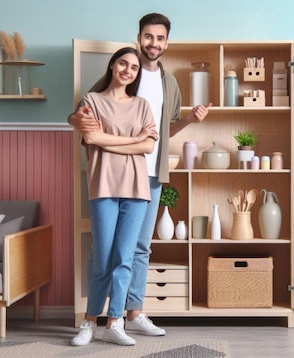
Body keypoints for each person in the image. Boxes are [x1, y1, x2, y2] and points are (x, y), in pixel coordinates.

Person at [69, 13, 211, 336]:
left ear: (166, 43)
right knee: (105, 250)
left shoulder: (169, 82)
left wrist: (189, 119)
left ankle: (132, 312)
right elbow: (83, 113)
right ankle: (94, 319)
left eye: (160, 38)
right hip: (112, 174)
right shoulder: (126, 74)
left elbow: (162, 132)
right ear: (139, 38)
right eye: (148, 37)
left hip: (151, 174)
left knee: (141, 248)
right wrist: (77, 121)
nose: (154, 43)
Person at [70, 47, 160, 347]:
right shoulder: (92, 101)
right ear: (112, 65)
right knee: (103, 258)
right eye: (123, 63)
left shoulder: (142, 105)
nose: (128, 70)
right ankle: (90, 320)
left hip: (136, 189)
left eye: (134, 67)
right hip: (104, 187)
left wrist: (120, 142)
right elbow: (92, 138)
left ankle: (115, 322)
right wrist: (134, 139)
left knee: (125, 258)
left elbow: (148, 148)